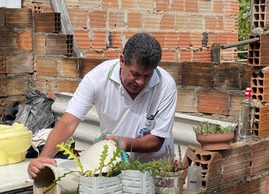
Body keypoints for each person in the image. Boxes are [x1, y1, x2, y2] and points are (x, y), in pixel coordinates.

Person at [27, 33, 177, 180]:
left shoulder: (165, 85)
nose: (141, 82)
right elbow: (68, 122)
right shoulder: (97, 78)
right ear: (122, 60)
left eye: (147, 76)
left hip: (157, 172)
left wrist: (124, 143)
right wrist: (44, 158)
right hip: (114, 169)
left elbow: (157, 140)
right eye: (135, 74)